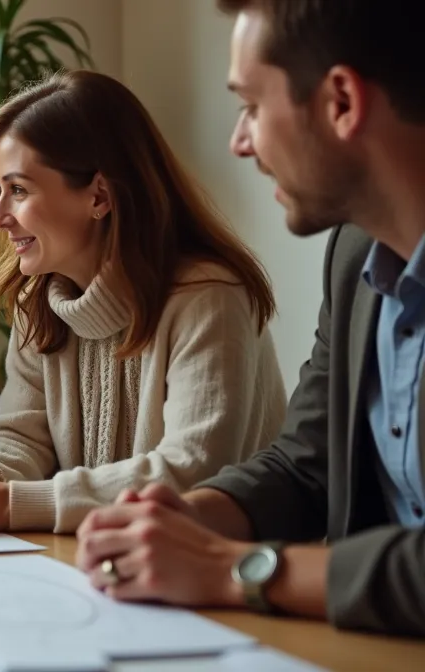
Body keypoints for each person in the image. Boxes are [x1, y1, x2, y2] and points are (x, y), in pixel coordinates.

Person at [75, 0, 425, 637]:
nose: (240, 141)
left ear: (342, 101)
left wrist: (235, 569)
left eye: (252, 107)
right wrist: (191, 516)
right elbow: (303, 463)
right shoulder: (356, 254)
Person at [0, 70, 287, 534]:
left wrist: (7, 504)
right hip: (109, 559)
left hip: (223, 573)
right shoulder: (41, 299)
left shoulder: (208, 297)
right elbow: (21, 436)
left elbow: (191, 472)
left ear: (98, 195)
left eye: (18, 190)